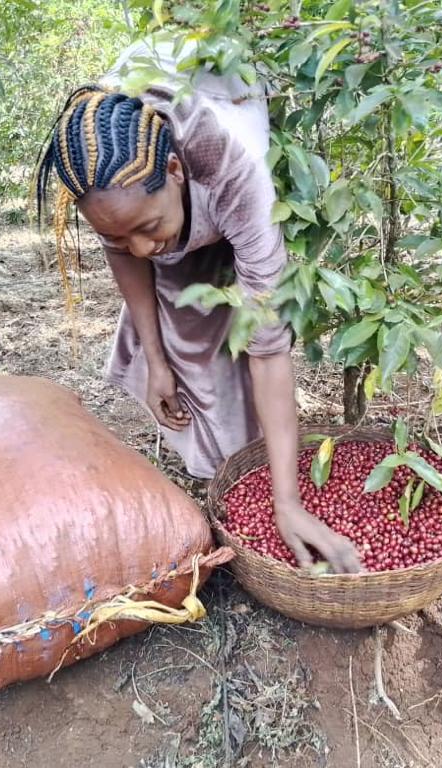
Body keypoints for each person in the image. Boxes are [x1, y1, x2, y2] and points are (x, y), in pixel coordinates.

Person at [36, 41, 361, 573]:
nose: (142, 247)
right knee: (186, 338)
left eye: (148, 228)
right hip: (164, 165)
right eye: (119, 234)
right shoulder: (104, 174)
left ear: (175, 170)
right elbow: (127, 252)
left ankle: (267, 475)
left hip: (222, 113)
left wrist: (289, 503)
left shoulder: (233, 170)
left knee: (239, 338)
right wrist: (157, 360)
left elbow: (269, 344)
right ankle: (221, 470)